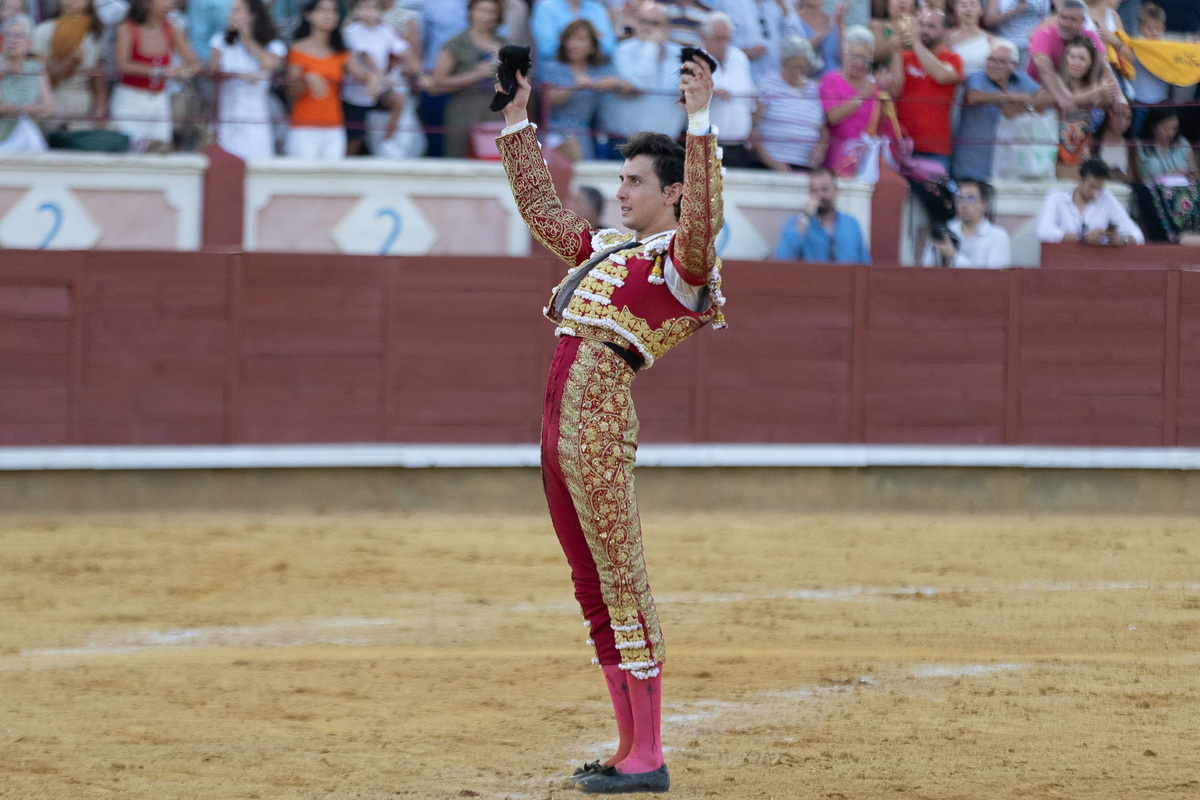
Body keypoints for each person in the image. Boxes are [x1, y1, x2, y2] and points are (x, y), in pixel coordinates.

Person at [493, 47, 725, 797]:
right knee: (590, 586)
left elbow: (704, 224)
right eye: (620, 179)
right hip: (558, 421)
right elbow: (541, 212)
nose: (619, 191)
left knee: (623, 581)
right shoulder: (609, 247)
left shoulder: (681, 266)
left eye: (633, 182)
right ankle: (628, 745)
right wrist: (516, 117)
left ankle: (650, 754)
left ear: (673, 194)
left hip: (596, 422)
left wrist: (700, 120)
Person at [286, 0, 374, 159]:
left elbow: (361, 74)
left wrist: (372, 78)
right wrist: (306, 78)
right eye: (323, 10)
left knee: (332, 181)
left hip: (334, 126)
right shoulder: (297, 49)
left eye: (333, 11)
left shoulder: (340, 52)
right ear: (309, 15)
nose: (329, 15)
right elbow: (291, 92)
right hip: (304, 126)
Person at [952, 39, 1049, 182]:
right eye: (991, 60)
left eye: (1001, 62)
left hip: (1006, 167)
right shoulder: (977, 77)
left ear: (1013, 66)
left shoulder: (1019, 78)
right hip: (971, 166)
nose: (994, 65)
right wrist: (1011, 97)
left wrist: (1022, 107)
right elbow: (974, 97)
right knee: (971, 201)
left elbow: (1045, 98)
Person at [110, 0, 201, 152]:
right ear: (147, 3)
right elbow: (122, 65)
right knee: (127, 151)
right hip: (130, 99)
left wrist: (185, 71)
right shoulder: (127, 28)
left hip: (159, 100)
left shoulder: (171, 29)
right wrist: (158, 71)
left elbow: (195, 63)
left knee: (161, 150)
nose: (169, 4)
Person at [541, 18, 631, 160]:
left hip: (584, 135)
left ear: (592, 46)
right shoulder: (553, 67)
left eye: (580, 39)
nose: (573, 44)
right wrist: (575, 85)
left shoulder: (598, 70)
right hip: (554, 133)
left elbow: (630, 90)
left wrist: (613, 82)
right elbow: (549, 100)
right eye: (569, 39)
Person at [429, 0, 507, 159]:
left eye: (491, 12)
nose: (486, 16)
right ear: (471, 12)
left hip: (497, 114)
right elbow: (436, 85)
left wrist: (505, 60)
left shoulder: (506, 44)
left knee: (496, 165)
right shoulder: (456, 43)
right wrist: (475, 75)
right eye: (481, 10)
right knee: (459, 161)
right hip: (463, 113)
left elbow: (523, 84)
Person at [208, 0, 285, 161]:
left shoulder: (273, 44)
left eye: (236, 11)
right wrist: (238, 75)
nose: (229, 16)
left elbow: (270, 64)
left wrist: (246, 38)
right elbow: (212, 72)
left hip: (257, 117)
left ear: (252, 15)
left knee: (257, 168)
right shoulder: (220, 41)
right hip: (227, 115)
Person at [601, 2, 686, 147]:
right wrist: (651, 46)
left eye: (655, 23)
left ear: (667, 27)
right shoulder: (623, 51)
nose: (647, 28)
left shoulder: (680, 54)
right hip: (627, 141)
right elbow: (640, 84)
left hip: (667, 143)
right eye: (643, 21)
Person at [821, 25, 900, 177]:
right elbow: (832, 117)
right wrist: (861, 97)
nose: (858, 63)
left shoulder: (876, 86)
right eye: (854, 56)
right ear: (843, 55)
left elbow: (887, 127)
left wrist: (886, 94)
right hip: (837, 160)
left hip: (868, 163)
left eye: (864, 58)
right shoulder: (831, 80)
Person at [341, 0, 418, 156]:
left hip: (377, 92)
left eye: (374, 8)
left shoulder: (386, 31)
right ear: (356, 11)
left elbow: (404, 50)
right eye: (365, 7)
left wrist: (419, 72)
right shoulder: (351, 31)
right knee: (354, 143)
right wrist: (381, 76)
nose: (370, 12)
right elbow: (364, 55)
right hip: (355, 96)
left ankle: (387, 141)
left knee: (399, 100)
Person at [894, 7, 962, 168]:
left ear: (945, 31)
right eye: (921, 25)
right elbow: (893, 87)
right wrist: (895, 44)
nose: (924, 30)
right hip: (900, 146)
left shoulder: (953, 59)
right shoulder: (903, 57)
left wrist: (916, 42)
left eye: (931, 26)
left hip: (935, 150)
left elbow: (943, 76)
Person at [30, 0, 107, 134]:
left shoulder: (94, 35)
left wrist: (99, 111)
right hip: (53, 101)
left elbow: (98, 83)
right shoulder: (43, 30)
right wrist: (71, 63)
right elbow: (43, 82)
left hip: (82, 104)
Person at [752, 33, 826, 171]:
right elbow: (754, 128)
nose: (797, 72)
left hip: (806, 166)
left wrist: (819, 150)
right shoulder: (768, 85)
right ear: (783, 63)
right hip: (771, 166)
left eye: (802, 68)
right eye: (793, 67)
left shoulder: (813, 89)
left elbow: (823, 131)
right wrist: (772, 162)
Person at [1037, 157, 1144, 244]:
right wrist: (1083, 238)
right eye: (1092, 187)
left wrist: (1122, 239)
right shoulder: (1056, 198)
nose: (1095, 193)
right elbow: (1043, 232)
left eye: (1099, 188)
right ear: (1079, 179)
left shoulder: (1106, 199)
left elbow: (1138, 236)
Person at [773, 167, 871, 262]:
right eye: (814, 190)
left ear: (836, 191)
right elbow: (783, 258)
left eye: (824, 189)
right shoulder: (796, 223)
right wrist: (806, 217)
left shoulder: (851, 223)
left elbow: (864, 263)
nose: (819, 195)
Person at [1027, 0, 1108, 112]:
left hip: (1071, 97)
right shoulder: (1043, 35)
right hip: (1039, 98)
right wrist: (1095, 92)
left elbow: (1104, 66)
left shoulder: (1089, 36)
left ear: (1083, 21)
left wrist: (1118, 97)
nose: (1066, 23)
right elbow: (1045, 70)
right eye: (1063, 18)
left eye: (1073, 19)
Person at [700, 11, 758, 167]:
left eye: (727, 39)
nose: (724, 44)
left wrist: (753, 127)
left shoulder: (739, 57)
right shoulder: (694, 58)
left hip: (738, 145)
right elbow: (686, 94)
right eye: (719, 38)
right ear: (705, 37)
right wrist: (711, 92)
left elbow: (751, 97)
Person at [1055, 35, 1116, 178]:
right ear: (1066, 58)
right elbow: (1068, 100)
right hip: (1055, 152)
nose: (1076, 63)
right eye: (1072, 57)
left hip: (1082, 152)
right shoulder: (1057, 80)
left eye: (1082, 59)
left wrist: (1105, 91)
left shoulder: (1093, 86)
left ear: (1090, 63)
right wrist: (1098, 90)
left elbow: (1108, 99)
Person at [920, 179, 1012, 267]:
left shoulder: (998, 236)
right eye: (960, 198)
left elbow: (995, 278)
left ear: (984, 204)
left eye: (970, 199)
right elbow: (926, 268)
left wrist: (953, 256)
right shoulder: (944, 231)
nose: (964, 204)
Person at [711, 0, 802, 83]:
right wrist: (742, 53)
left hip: (774, 83)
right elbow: (713, 40)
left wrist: (785, 12)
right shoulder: (728, 3)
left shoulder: (776, 4)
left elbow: (797, 40)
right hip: (742, 81)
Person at [0, 14, 53, 150]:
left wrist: (39, 111)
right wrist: (21, 109)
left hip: (27, 138)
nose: (12, 40)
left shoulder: (37, 68)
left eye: (18, 36)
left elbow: (50, 107)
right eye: (9, 35)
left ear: (29, 43)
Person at [530, 0, 617, 65]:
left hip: (593, 73)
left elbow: (608, 47)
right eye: (568, 38)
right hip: (556, 75)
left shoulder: (596, 8)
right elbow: (547, 48)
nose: (575, 44)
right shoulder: (545, 7)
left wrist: (563, 40)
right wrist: (592, 40)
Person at [1135, 106, 1196, 180]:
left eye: (1174, 129)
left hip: (1182, 190)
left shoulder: (1183, 144)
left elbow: (1194, 174)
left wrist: (1189, 175)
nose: (1171, 134)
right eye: (1166, 129)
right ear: (1153, 126)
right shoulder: (1140, 146)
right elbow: (1136, 178)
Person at [985, 0, 1050, 65]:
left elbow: (1047, 19)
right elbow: (989, 21)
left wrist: (1037, 31)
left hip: (1034, 47)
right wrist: (1011, 13)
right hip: (1007, 45)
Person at [796, 0, 845, 71]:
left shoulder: (835, 21)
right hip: (808, 79)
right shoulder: (794, 21)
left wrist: (840, 24)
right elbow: (795, 56)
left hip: (833, 77)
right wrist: (821, 35)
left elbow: (845, 57)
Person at [1091, 100, 1134, 181]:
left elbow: (1132, 176)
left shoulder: (1130, 145)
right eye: (1119, 115)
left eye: (1128, 118)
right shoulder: (1093, 141)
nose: (1123, 122)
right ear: (1108, 114)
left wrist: (1122, 177)